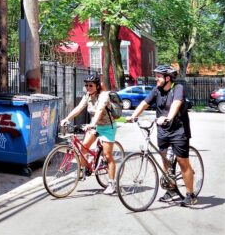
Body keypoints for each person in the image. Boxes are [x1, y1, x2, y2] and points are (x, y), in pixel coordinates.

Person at [126, 64, 196, 207]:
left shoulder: (178, 88)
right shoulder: (157, 90)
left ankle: (190, 194)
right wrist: (133, 116)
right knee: (165, 161)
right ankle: (172, 190)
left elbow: (176, 104)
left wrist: (169, 117)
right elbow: (144, 103)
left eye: (159, 76)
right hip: (163, 131)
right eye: (156, 75)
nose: (156, 78)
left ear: (168, 78)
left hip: (179, 131)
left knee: (183, 162)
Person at [60, 73, 118, 195]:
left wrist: (92, 124)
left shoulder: (104, 96)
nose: (88, 87)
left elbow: (99, 111)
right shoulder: (87, 96)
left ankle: (112, 183)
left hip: (108, 127)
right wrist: (67, 118)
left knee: (108, 156)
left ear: (97, 86)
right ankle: (83, 170)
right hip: (96, 126)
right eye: (86, 85)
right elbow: (79, 108)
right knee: (83, 147)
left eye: (90, 85)